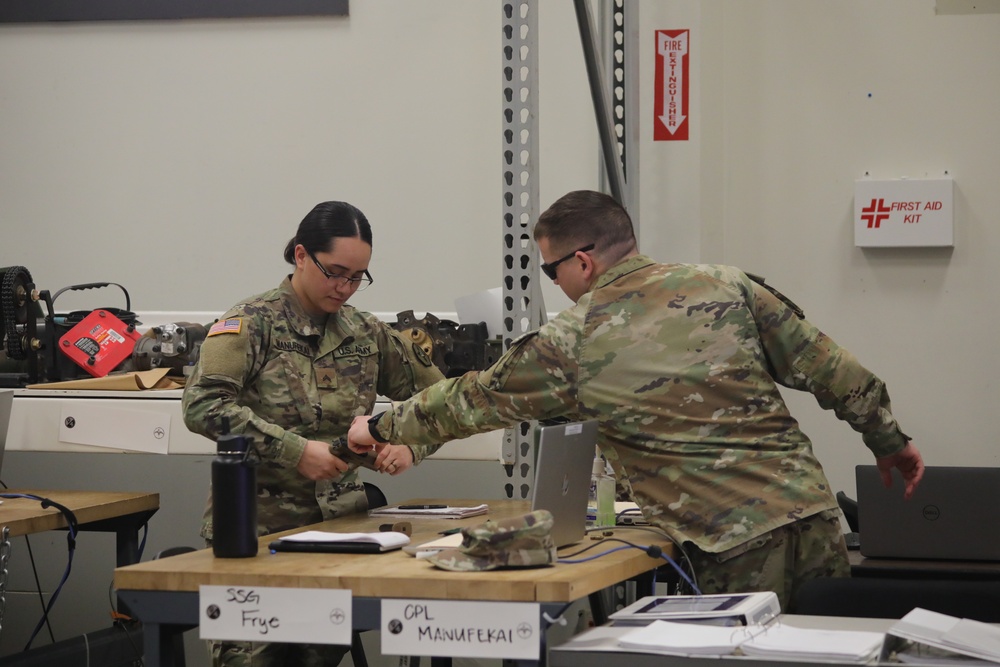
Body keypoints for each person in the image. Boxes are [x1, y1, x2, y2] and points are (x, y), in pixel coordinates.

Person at [348, 189, 925, 609]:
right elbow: (833, 369)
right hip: (812, 516)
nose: (555, 284)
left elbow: (471, 400)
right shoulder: (727, 284)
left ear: (582, 261)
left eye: (551, 270)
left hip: (730, 543)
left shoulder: (575, 336)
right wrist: (889, 442)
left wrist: (379, 428)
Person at [182, 200, 444, 666]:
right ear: (301, 255)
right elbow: (203, 405)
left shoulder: (365, 332)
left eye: (357, 277)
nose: (345, 288)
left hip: (338, 535)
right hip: (256, 537)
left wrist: (411, 446)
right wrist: (294, 451)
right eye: (335, 272)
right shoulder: (252, 323)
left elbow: (444, 401)